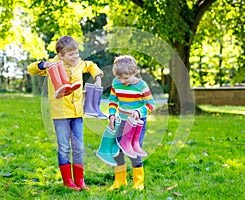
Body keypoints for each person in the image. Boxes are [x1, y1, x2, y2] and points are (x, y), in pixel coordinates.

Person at [27, 36, 103, 191]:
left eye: (76, 53)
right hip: (61, 114)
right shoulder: (54, 65)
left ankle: (80, 181)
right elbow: (32, 68)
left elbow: (92, 66)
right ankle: (68, 182)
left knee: (78, 148)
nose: (75, 57)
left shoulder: (79, 64)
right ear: (61, 55)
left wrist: (98, 77)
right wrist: (45, 64)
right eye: (71, 54)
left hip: (77, 114)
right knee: (63, 147)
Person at [107, 55, 155, 191]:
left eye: (125, 78)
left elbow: (151, 104)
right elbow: (112, 100)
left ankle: (138, 183)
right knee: (117, 150)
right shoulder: (116, 83)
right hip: (121, 121)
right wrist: (111, 114)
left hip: (137, 123)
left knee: (134, 150)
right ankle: (119, 181)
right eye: (119, 77)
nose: (122, 81)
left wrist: (140, 112)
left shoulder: (142, 86)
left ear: (134, 72)